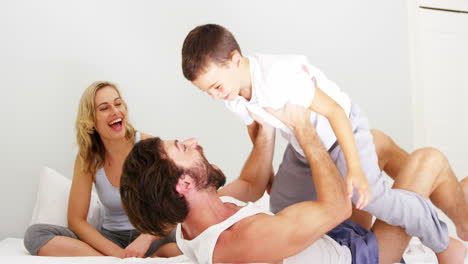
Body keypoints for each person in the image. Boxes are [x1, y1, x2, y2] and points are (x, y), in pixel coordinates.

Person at [180, 24, 468, 254]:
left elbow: (335, 111)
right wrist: (268, 176)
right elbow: (256, 125)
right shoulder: (232, 92)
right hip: (302, 145)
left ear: (235, 60)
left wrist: (354, 168)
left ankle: (442, 241)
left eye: (215, 87)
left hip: (340, 130)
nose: (214, 96)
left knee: (372, 198)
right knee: (281, 205)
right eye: (207, 91)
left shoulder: (279, 78)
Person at [120, 103, 466, 264]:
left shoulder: (196, 217)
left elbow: (253, 183)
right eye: (182, 148)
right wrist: (303, 129)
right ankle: (461, 225)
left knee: (372, 141)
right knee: (429, 160)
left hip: (329, 236)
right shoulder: (240, 240)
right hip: (359, 257)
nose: (193, 142)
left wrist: (264, 129)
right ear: (183, 184)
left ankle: (453, 209)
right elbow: (337, 206)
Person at [24, 81, 175, 257]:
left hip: (153, 237)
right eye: (104, 108)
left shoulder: (149, 146)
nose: (115, 111)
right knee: (35, 235)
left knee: (189, 239)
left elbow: (179, 204)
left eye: (118, 104)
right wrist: (118, 255)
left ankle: (147, 257)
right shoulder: (87, 159)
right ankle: (108, 261)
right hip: (111, 240)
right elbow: (76, 220)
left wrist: (146, 239)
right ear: (91, 120)